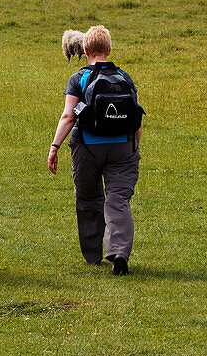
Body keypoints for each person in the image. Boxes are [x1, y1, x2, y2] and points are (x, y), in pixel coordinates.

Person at [48, 25, 143, 275]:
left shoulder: (79, 78)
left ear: (85, 49)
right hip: (123, 146)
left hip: (87, 147)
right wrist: (135, 148)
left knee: (89, 199)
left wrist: (54, 146)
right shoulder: (124, 76)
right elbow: (137, 116)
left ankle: (93, 255)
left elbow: (69, 116)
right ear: (109, 50)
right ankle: (119, 252)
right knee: (118, 199)